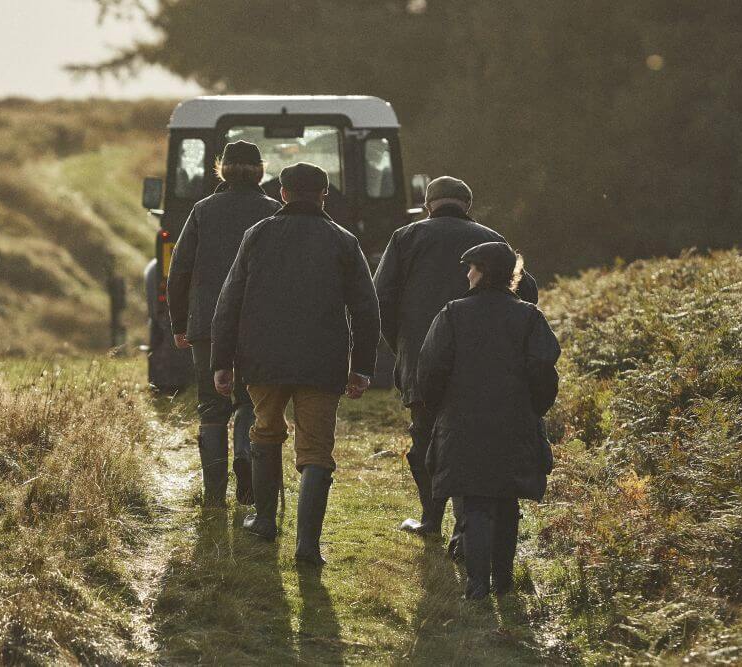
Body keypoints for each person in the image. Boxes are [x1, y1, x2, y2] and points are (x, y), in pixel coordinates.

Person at [210, 162, 380, 565]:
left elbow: (228, 301)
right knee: (317, 451)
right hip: (322, 363)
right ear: (324, 195)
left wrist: (222, 361)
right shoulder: (343, 240)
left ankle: (266, 522)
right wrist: (362, 367)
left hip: (263, 360)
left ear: (282, 193)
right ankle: (308, 546)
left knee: (266, 432)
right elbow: (366, 309)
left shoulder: (258, 235)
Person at [373, 176, 538, 537]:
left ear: (428, 205)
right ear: (468, 204)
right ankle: (468, 532)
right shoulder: (492, 239)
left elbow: (380, 299)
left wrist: (399, 344)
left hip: (420, 358)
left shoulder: (405, 238)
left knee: (425, 441)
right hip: (482, 363)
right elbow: (526, 292)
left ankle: (431, 520)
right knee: (470, 442)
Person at [417, 241, 560, 599]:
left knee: (476, 501)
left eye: (471, 268)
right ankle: (504, 583)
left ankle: (477, 585)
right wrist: (535, 409)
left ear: (481, 271)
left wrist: (438, 409)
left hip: (462, 422)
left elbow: (431, 370)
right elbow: (544, 370)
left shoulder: (452, 314)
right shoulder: (529, 316)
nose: (467, 274)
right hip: (514, 422)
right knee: (507, 502)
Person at [167, 141, 281, 507]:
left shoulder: (202, 211)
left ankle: (214, 493)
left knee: (211, 407)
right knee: (252, 399)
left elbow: (179, 270)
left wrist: (179, 322)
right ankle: (246, 461)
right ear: (260, 171)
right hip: (259, 323)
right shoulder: (275, 213)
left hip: (206, 324)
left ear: (223, 170)